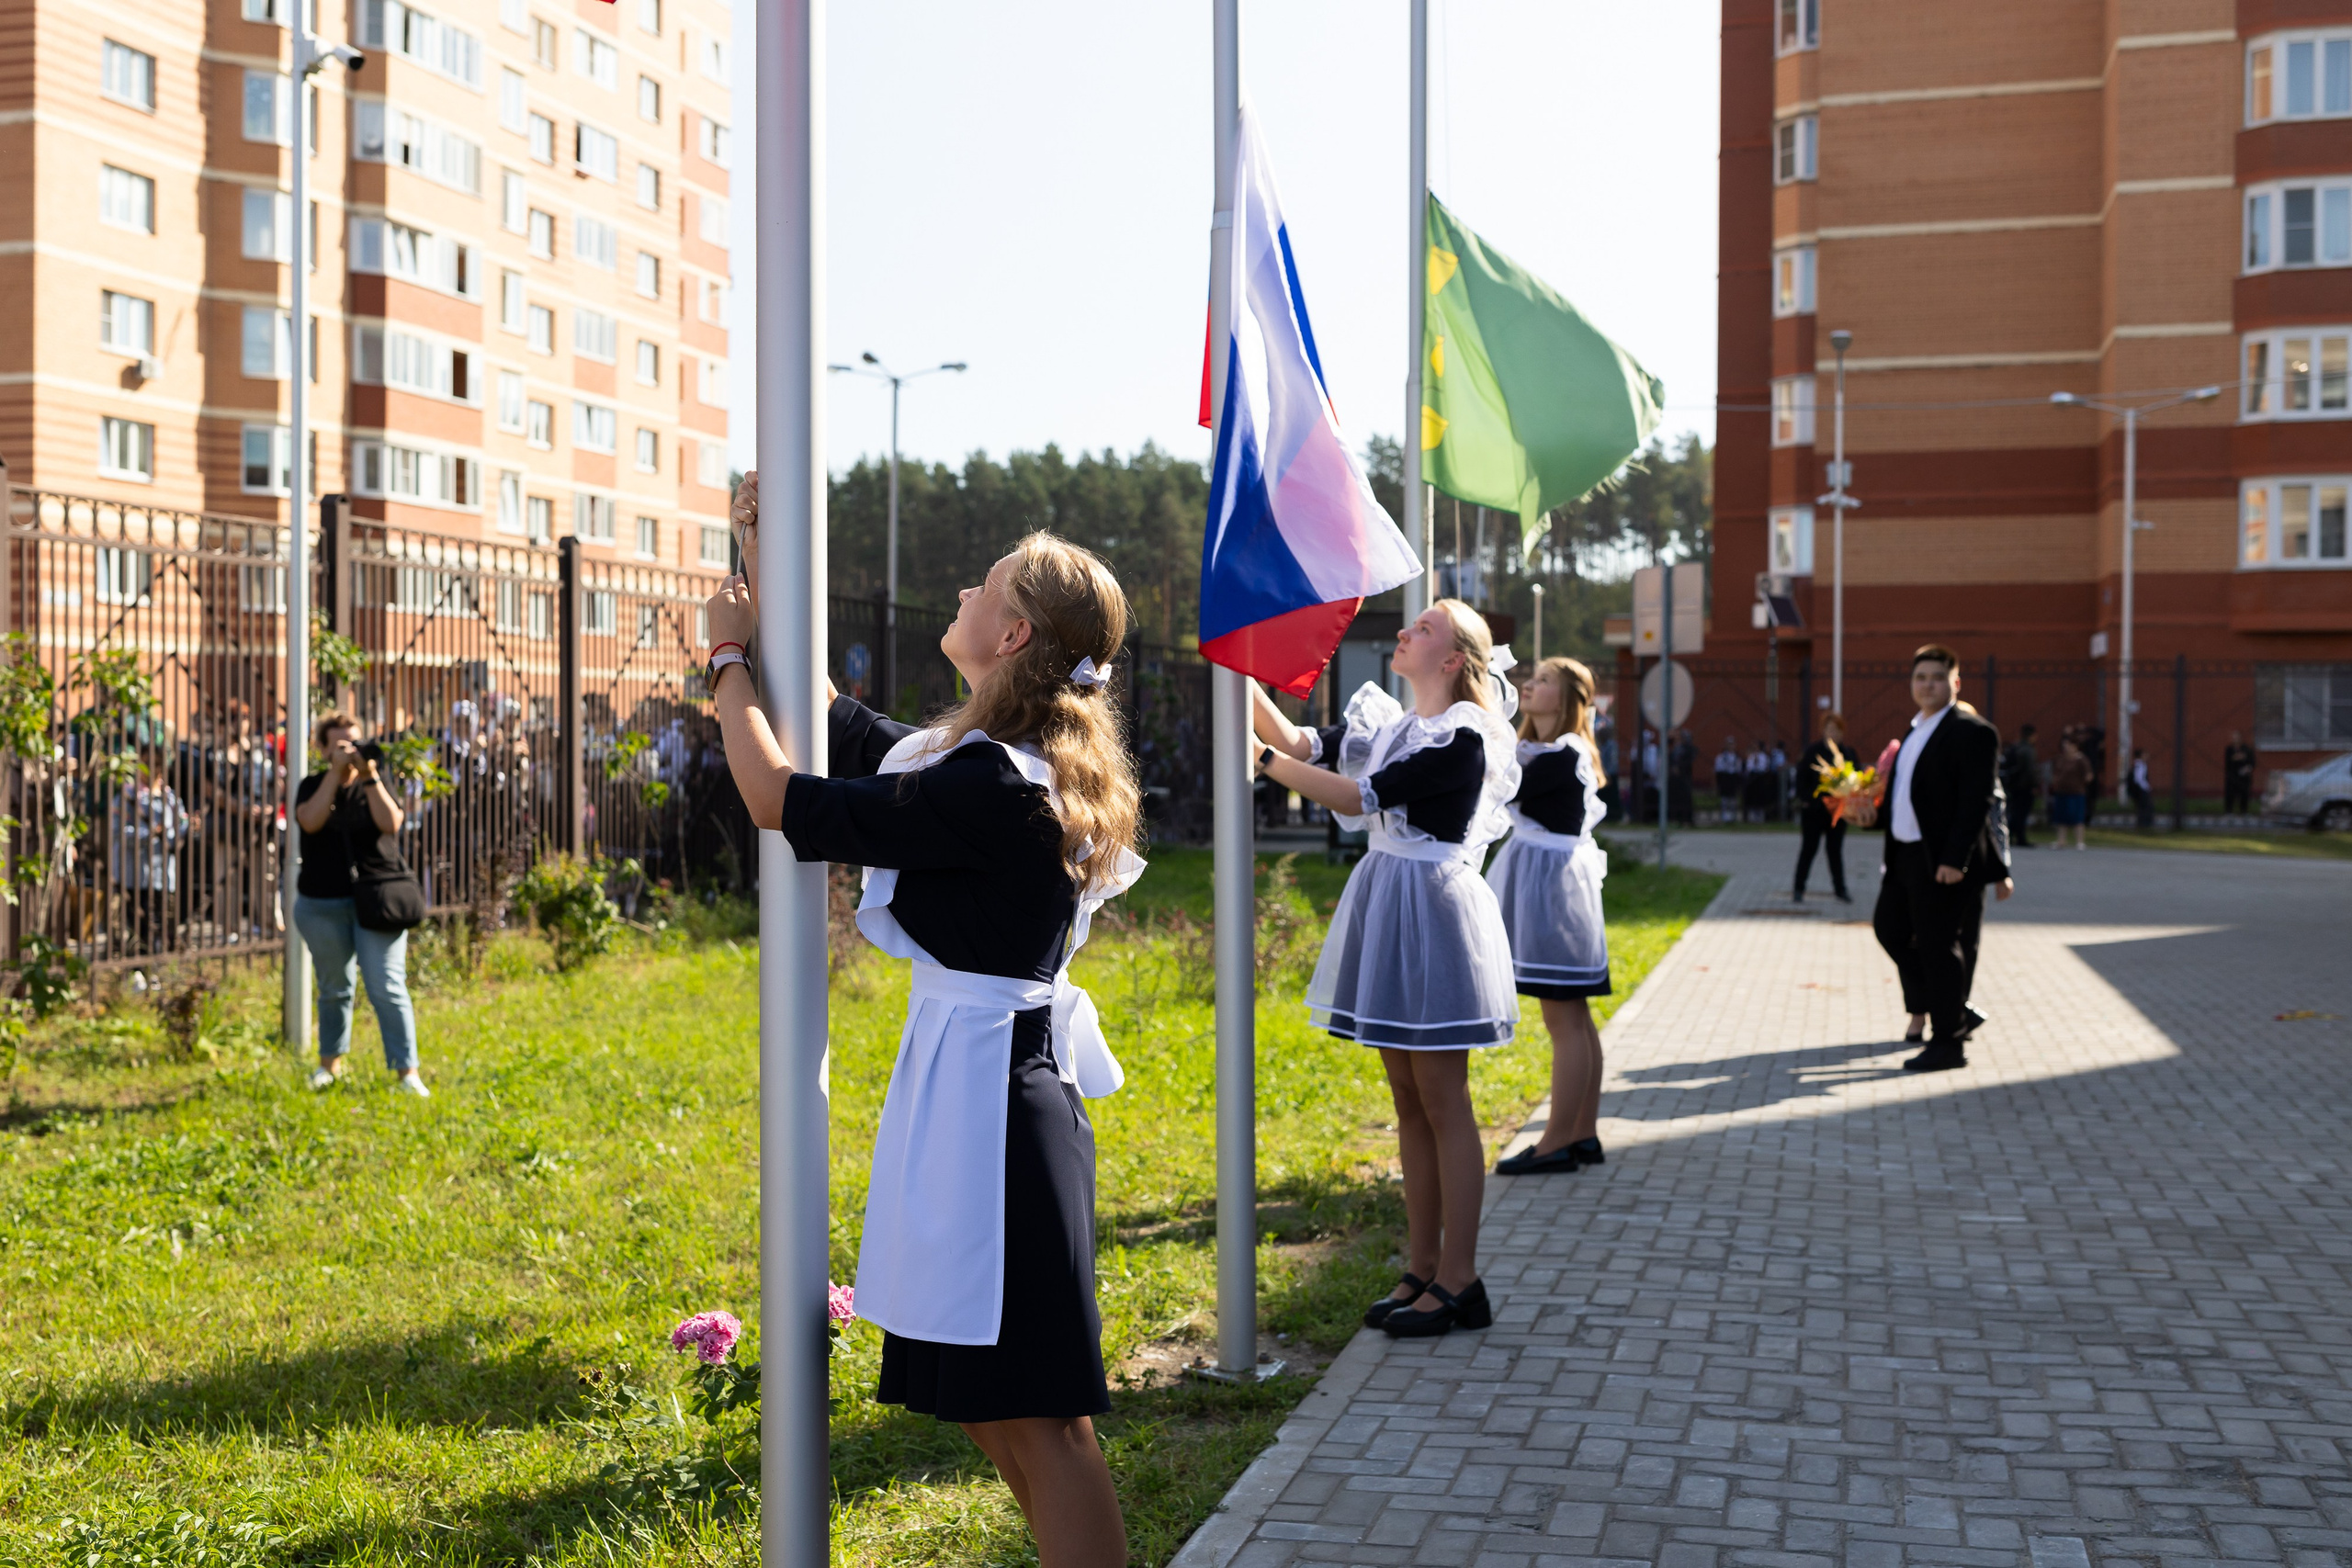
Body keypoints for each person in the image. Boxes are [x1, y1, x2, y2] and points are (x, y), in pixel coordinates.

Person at [711, 478, 1141, 1568]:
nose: (959, 591)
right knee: (995, 1413)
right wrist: (761, 549)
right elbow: (832, 716)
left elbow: (777, 797)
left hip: (997, 1112)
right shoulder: (988, 762)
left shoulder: (995, 785)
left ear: (1013, 633)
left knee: (1042, 1421)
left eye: (982, 585)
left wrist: (722, 662)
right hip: (974, 1097)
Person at [1250, 600, 1520, 1340]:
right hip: (1393, 904)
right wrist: (1237, 675)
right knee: (1407, 1099)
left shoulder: (1463, 737)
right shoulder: (1395, 727)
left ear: (1454, 659)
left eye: (1423, 628)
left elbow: (1353, 793)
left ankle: (1461, 1279)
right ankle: (1423, 1264)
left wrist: (1265, 762)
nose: (1404, 632)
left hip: (1433, 913)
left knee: (1443, 1098)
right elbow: (1301, 739)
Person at [1486, 657, 1611, 1177]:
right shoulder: (1544, 751)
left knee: (1564, 1017)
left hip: (1553, 893)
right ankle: (1581, 1133)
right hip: (1548, 886)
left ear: (1567, 699)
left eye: (1541, 681)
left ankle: (1556, 1142)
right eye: (1530, 678)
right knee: (1572, 1015)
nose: (1527, 685)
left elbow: (1502, 788)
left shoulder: (1563, 753)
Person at [1858, 646, 2005, 1073]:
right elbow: (1904, 798)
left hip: (1941, 862)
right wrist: (1871, 818)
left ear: (1955, 683)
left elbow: (1976, 802)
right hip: (1904, 856)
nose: (1928, 685)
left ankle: (1948, 1045)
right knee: (1889, 929)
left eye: (1937, 678)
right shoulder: (1914, 731)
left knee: (1940, 948)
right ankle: (1954, 1009)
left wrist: (1955, 859)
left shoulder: (1973, 732)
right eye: (1920, 677)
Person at [292, 712, 425, 1096]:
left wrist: (368, 775)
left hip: (378, 902)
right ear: (322, 749)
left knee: (386, 984)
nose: (349, 751)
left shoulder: (376, 781)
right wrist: (335, 774)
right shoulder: (312, 785)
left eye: (354, 742)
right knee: (335, 987)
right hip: (323, 904)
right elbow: (310, 821)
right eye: (339, 745)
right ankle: (329, 1066)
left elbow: (391, 823)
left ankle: (407, 1072)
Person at [1792, 711, 1853, 903]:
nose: (1833, 734)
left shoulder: (1847, 754)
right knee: (1808, 849)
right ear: (1823, 731)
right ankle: (1798, 888)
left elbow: (1855, 779)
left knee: (1835, 851)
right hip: (1814, 812)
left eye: (1837, 730)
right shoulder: (1813, 752)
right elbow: (1801, 778)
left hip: (1837, 813)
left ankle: (1840, 890)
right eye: (1830, 729)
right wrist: (1808, 800)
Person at [2048, 736, 2092, 849]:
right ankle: (2061, 840)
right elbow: (2055, 772)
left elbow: (2088, 775)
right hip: (2061, 791)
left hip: (2076, 792)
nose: (2066, 747)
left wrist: (2082, 781)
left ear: (2075, 746)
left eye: (2069, 745)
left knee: (2077, 817)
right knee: (2061, 817)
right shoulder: (2060, 758)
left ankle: (2079, 841)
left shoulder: (2081, 759)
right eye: (2065, 745)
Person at [2000, 723, 2040, 850]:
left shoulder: (2015, 747)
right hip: (2025, 786)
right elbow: (2029, 770)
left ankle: (2012, 836)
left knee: (2014, 812)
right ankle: (2019, 837)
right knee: (2021, 813)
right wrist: (2034, 785)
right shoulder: (2028, 750)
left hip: (2013, 785)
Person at [2222, 730, 2256, 816]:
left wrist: (2248, 767)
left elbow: (2252, 761)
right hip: (2232, 776)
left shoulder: (2246, 749)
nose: (2236, 740)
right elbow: (2228, 762)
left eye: (2237, 738)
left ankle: (2244, 811)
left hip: (2244, 776)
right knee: (2230, 793)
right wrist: (2236, 758)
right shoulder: (2229, 749)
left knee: (2244, 793)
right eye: (2234, 738)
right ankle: (2229, 811)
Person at [1713, 736, 1743, 824]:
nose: (1730, 746)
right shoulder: (1721, 757)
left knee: (1733, 799)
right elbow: (1718, 769)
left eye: (1732, 744)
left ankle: (1733, 817)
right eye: (1729, 744)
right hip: (1725, 778)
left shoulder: (1737, 757)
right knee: (1725, 799)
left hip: (1733, 778)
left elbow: (1739, 769)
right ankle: (1725, 817)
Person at [2127, 747, 2154, 829]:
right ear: (2141, 755)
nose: (2147, 756)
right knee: (2145, 807)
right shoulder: (2140, 765)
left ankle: (2143, 824)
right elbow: (2139, 779)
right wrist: (2147, 787)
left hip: (2138, 790)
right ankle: (2144, 824)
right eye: (2145, 754)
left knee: (2142, 807)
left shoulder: (2138, 765)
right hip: (2140, 791)